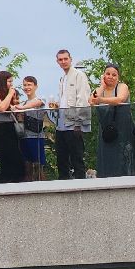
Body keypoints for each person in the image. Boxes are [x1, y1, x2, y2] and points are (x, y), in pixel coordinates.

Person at [50, 50, 91, 180]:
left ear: (70, 59)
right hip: (61, 123)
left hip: (73, 123)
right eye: (60, 60)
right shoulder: (62, 78)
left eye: (65, 59)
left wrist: (78, 123)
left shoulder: (79, 75)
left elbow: (83, 99)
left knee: (77, 158)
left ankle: (80, 187)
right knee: (61, 158)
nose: (63, 62)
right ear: (57, 61)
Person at [91, 65, 133, 178]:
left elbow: (120, 99)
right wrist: (101, 86)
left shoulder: (122, 86)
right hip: (105, 133)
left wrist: (101, 100)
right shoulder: (100, 90)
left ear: (118, 77)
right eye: (108, 74)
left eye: (114, 75)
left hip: (122, 131)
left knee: (122, 159)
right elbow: (91, 101)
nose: (110, 77)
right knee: (106, 160)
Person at [0, 71, 26, 184]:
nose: (11, 84)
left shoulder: (6, 95)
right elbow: (1, 107)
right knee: (7, 153)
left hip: (9, 127)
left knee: (14, 153)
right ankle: (6, 177)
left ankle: (16, 177)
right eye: (9, 81)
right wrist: (9, 94)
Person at [16, 75, 49, 182]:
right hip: (24, 137)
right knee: (27, 167)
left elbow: (37, 103)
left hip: (36, 137)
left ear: (35, 86)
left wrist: (22, 108)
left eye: (29, 85)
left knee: (39, 166)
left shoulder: (40, 99)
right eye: (24, 85)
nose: (27, 87)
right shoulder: (22, 103)